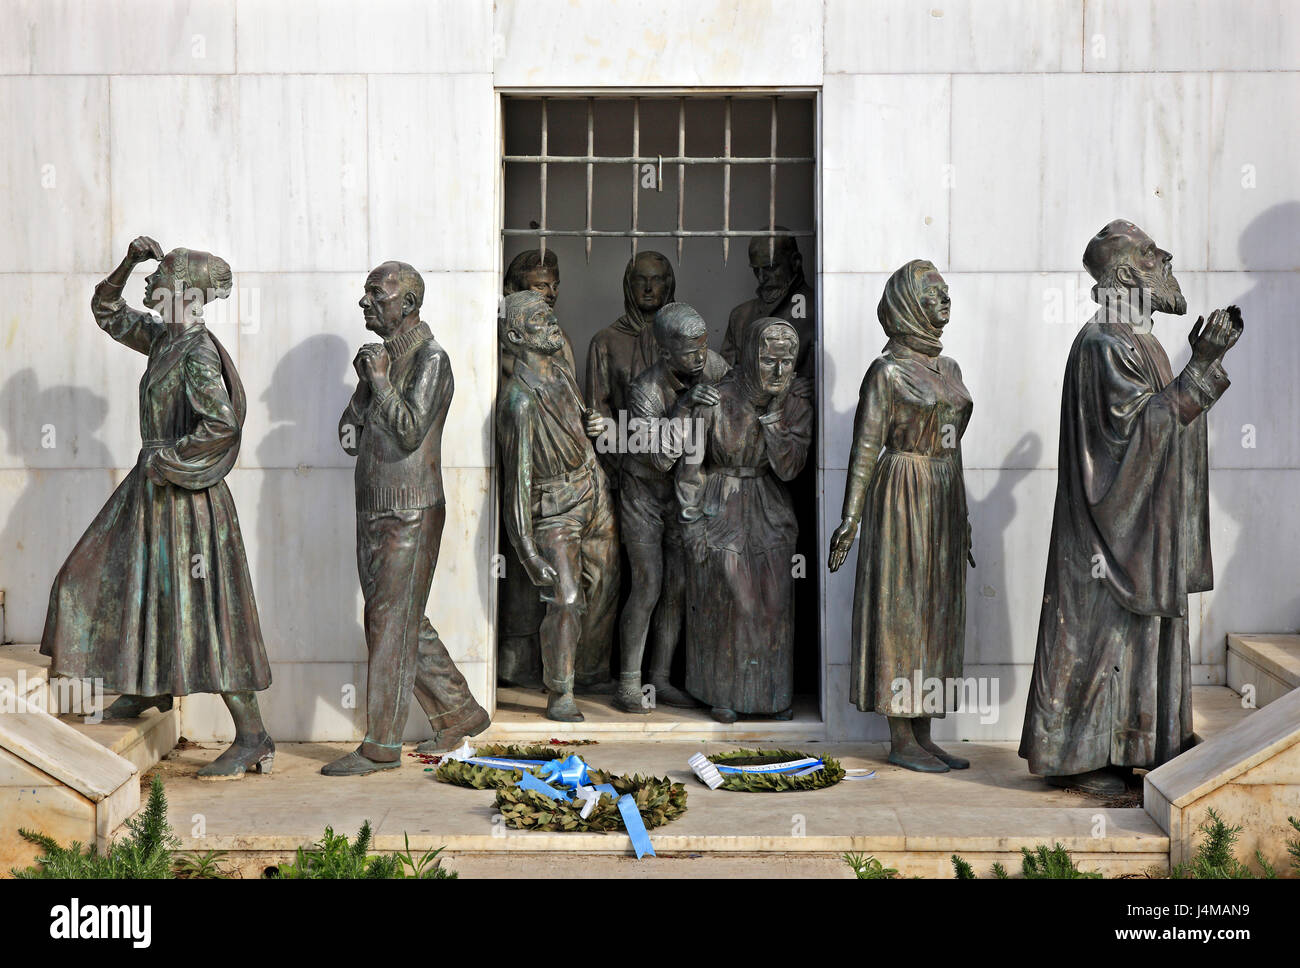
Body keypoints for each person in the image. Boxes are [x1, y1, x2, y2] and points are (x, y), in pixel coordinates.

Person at [1019, 220, 1242, 795]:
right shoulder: (1104, 345)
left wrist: (1199, 367)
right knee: (1105, 636)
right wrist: (1198, 370)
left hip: (1144, 529)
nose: (1166, 259)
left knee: (1139, 635)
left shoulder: (1139, 341)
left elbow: (1166, 430)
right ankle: (1089, 753)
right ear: (1123, 276)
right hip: (1106, 537)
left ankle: (1148, 740)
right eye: (1150, 256)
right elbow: (1134, 440)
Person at [42, 236, 273, 779]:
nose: (151, 281)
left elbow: (222, 425)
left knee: (208, 613)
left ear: (182, 293)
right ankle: (150, 685)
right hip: (153, 492)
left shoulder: (194, 350)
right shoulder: (164, 338)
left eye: (159, 274)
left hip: (185, 500)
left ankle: (253, 736)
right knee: (102, 583)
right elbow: (106, 311)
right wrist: (129, 261)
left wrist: (169, 458)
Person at [323, 262, 490, 777]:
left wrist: (379, 382)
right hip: (375, 503)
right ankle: (459, 711)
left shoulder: (431, 360)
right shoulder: (381, 361)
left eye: (378, 293)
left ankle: (381, 745)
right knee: (399, 618)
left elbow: (411, 431)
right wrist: (364, 387)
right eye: (366, 292)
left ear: (409, 303)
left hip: (411, 507)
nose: (365, 302)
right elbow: (348, 437)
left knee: (387, 620)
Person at [828, 260, 974, 773]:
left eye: (946, 293)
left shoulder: (949, 370)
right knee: (901, 609)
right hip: (902, 495)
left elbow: (953, 446)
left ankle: (925, 731)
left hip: (943, 493)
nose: (944, 301)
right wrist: (851, 519)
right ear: (908, 303)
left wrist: (964, 514)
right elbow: (865, 446)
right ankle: (899, 736)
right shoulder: (886, 372)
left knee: (938, 611)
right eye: (934, 294)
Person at [676, 318, 811, 722]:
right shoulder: (715, 400)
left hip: (769, 507)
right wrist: (692, 522)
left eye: (787, 362)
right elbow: (691, 468)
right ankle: (723, 691)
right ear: (752, 357)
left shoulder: (796, 404)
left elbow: (789, 469)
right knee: (734, 599)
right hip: (721, 502)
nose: (778, 371)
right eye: (769, 360)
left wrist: (771, 417)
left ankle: (771, 696)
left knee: (774, 603)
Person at [497, 291, 621, 721]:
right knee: (565, 598)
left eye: (549, 314)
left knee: (605, 585)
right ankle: (560, 690)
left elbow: (582, 424)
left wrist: (593, 423)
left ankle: (589, 672)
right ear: (515, 335)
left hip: (593, 490)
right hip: (554, 508)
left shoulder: (563, 373)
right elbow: (516, 482)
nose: (551, 321)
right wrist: (527, 550)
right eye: (537, 319)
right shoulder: (519, 401)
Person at [613, 303, 728, 712]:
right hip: (643, 495)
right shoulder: (645, 389)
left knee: (677, 589)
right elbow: (660, 456)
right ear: (665, 353)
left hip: (686, 497)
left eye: (704, 347)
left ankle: (659, 679)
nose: (700, 358)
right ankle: (629, 682)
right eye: (690, 353)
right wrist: (683, 407)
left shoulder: (713, 367)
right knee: (647, 585)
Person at [497, 248, 572, 689]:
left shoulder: (559, 342)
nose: (550, 295)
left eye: (553, 285)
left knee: (560, 589)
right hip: (523, 482)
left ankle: (557, 673)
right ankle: (516, 667)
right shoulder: (507, 354)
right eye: (538, 285)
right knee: (522, 590)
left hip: (565, 484)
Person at [586, 251, 677, 483]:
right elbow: (599, 409)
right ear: (628, 285)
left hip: (679, 460)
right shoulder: (605, 341)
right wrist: (624, 455)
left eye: (656, 279)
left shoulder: (683, 338)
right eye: (640, 279)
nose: (648, 288)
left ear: (668, 285)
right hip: (626, 464)